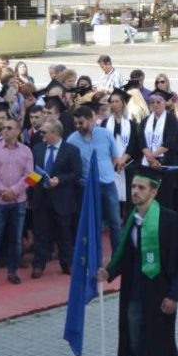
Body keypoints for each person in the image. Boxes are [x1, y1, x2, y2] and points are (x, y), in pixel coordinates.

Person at [103, 167, 178, 356]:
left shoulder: (170, 220)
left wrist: (174, 296)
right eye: (132, 187)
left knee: (166, 349)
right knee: (137, 345)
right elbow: (125, 257)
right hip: (134, 294)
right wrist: (107, 272)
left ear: (154, 191)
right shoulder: (131, 219)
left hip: (160, 296)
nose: (135, 192)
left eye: (141, 188)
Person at [0, 117, 33, 289]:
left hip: (18, 202)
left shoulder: (26, 151)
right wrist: (4, 190)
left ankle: (12, 272)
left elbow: (30, 176)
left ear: (18, 131)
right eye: (3, 128)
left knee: (16, 239)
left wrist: (14, 191)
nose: (5, 131)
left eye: (10, 128)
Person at [67, 105, 123, 254]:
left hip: (107, 184)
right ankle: (94, 257)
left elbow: (114, 156)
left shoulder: (105, 134)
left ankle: (118, 257)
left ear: (91, 119)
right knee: (93, 224)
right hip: (86, 186)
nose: (78, 126)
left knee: (115, 222)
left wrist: (107, 171)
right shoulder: (72, 140)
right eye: (76, 123)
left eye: (81, 123)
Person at [28, 119, 79, 278]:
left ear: (55, 133)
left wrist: (60, 180)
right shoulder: (37, 149)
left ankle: (67, 264)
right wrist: (29, 193)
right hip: (41, 197)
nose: (41, 134)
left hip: (62, 198)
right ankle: (38, 264)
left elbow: (76, 173)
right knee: (40, 234)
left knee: (64, 233)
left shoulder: (71, 150)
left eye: (45, 132)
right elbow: (32, 172)